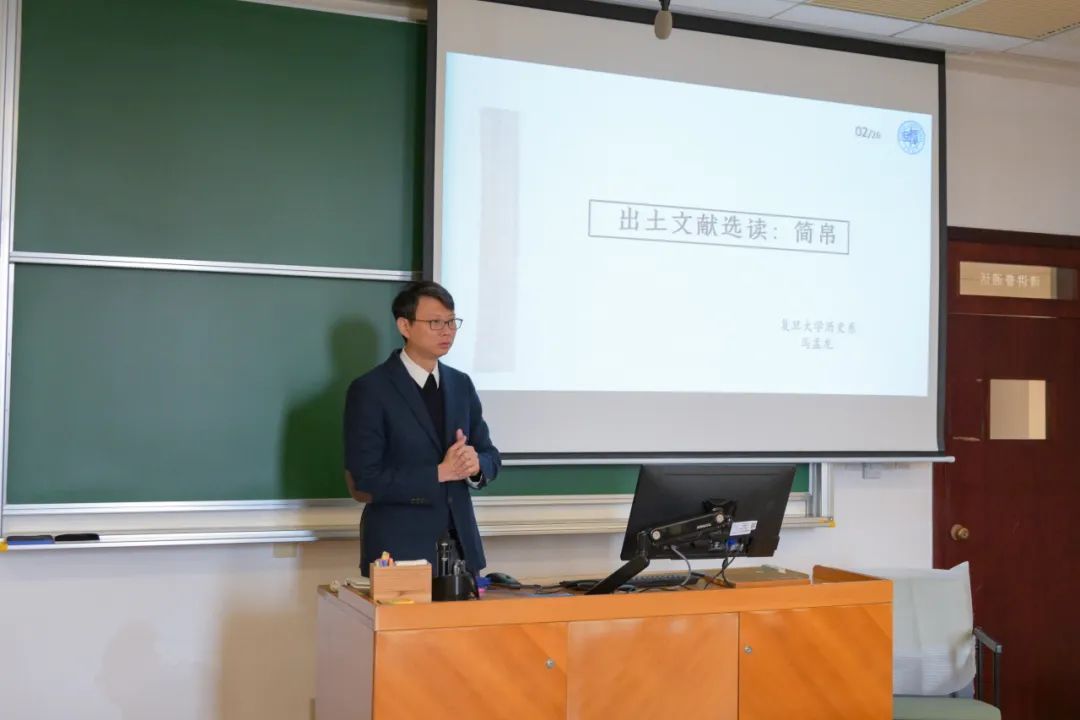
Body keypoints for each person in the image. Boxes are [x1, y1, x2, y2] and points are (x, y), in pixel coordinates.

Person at [343, 281, 500, 576]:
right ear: (405, 326)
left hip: (462, 553)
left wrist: (476, 465)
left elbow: (490, 455)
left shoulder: (461, 384)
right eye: (435, 323)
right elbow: (365, 479)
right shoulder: (371, 390)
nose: (447, 331)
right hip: (400, 552)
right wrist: (439, 473)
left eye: (452, 322)